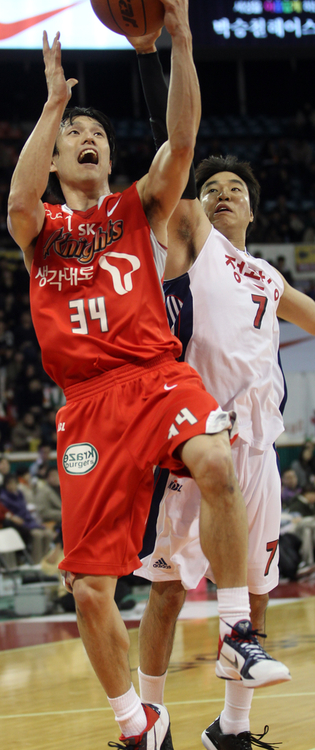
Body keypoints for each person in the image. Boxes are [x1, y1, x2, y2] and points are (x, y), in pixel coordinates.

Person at [6, 4, 287, 746]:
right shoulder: (40, 230)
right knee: (91, 590)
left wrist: (183, 42)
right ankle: (139, 724)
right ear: (58, 161)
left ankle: (234, 630)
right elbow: (17, 200)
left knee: (214, 461)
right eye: (76, 138)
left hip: (155, 374)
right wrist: (54, 106)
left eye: (96, 133)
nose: (89, 140)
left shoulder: (139, 209)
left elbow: (183, 140)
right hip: (90, 407)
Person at [126, 33, 315, 750]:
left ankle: (230, 728)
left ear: (253, 210)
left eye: (234, 188)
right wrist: (158, 52)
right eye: (210, 189)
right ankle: (147, 719)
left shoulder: (268, 277)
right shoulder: (190, 240)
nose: (222, 192)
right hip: (194, 434)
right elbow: (173, 142)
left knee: (258, 589)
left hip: (260, 444)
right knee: (170, 589)